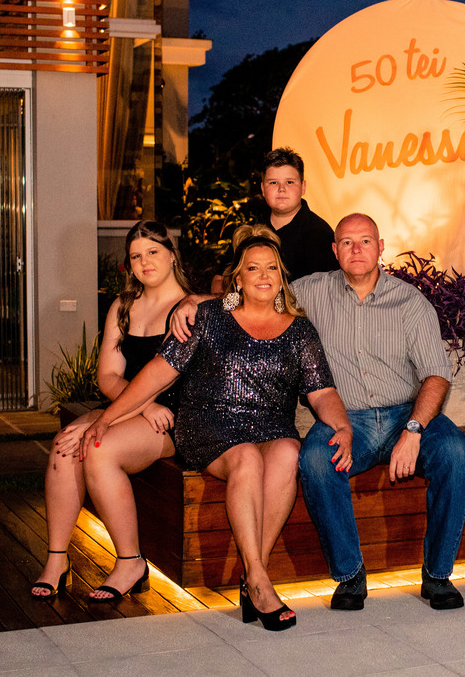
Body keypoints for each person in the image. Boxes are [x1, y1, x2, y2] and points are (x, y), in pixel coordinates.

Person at [175, 213, 465, 611]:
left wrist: (414, 429)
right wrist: (198, 302)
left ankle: (438, 575)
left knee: (457, 454)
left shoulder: (410, 301)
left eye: (365, 241)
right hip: (347, 419)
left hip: (406, 414)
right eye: (347, 242)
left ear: (380, 247)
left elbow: (437, 375)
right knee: (316, 458)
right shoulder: (309, 292)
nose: (356, 249)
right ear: (335, 250)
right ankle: (350, 575)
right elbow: (256, 292)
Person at [83, 225, 352, 631]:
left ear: (281, 277)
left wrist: (342, 426)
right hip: (209, 420)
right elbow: (157, 373)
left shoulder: (299, 330)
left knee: (288, 452)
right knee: (246, 457)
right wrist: (107, 417)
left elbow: (323, 392)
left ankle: (254, 574)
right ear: (237, 279)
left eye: (271, 268)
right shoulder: (209, 317)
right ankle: (259, 581)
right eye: (253, 268)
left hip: (270, 424)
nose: (263, 275)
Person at [29, 221, 189, 603]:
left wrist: (147, 407)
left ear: (171, 254)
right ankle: (57, 559)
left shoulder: (188, 309)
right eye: (135, 256)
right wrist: (142, 406)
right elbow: (107, 376)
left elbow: (167, 375)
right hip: (136, 407)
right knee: (65, 445)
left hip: (172, 415)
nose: (145, 262)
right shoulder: (123, 306)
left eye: (153, 251)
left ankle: (131, 562)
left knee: (98, 449)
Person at [209, 147, 338, 293]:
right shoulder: (250, 231)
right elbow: (219, 280)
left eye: (290, 182)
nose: (281, 189)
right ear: (263, 189)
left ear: (303, 187)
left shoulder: (320, 234)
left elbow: (327, 294)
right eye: (273, 183)